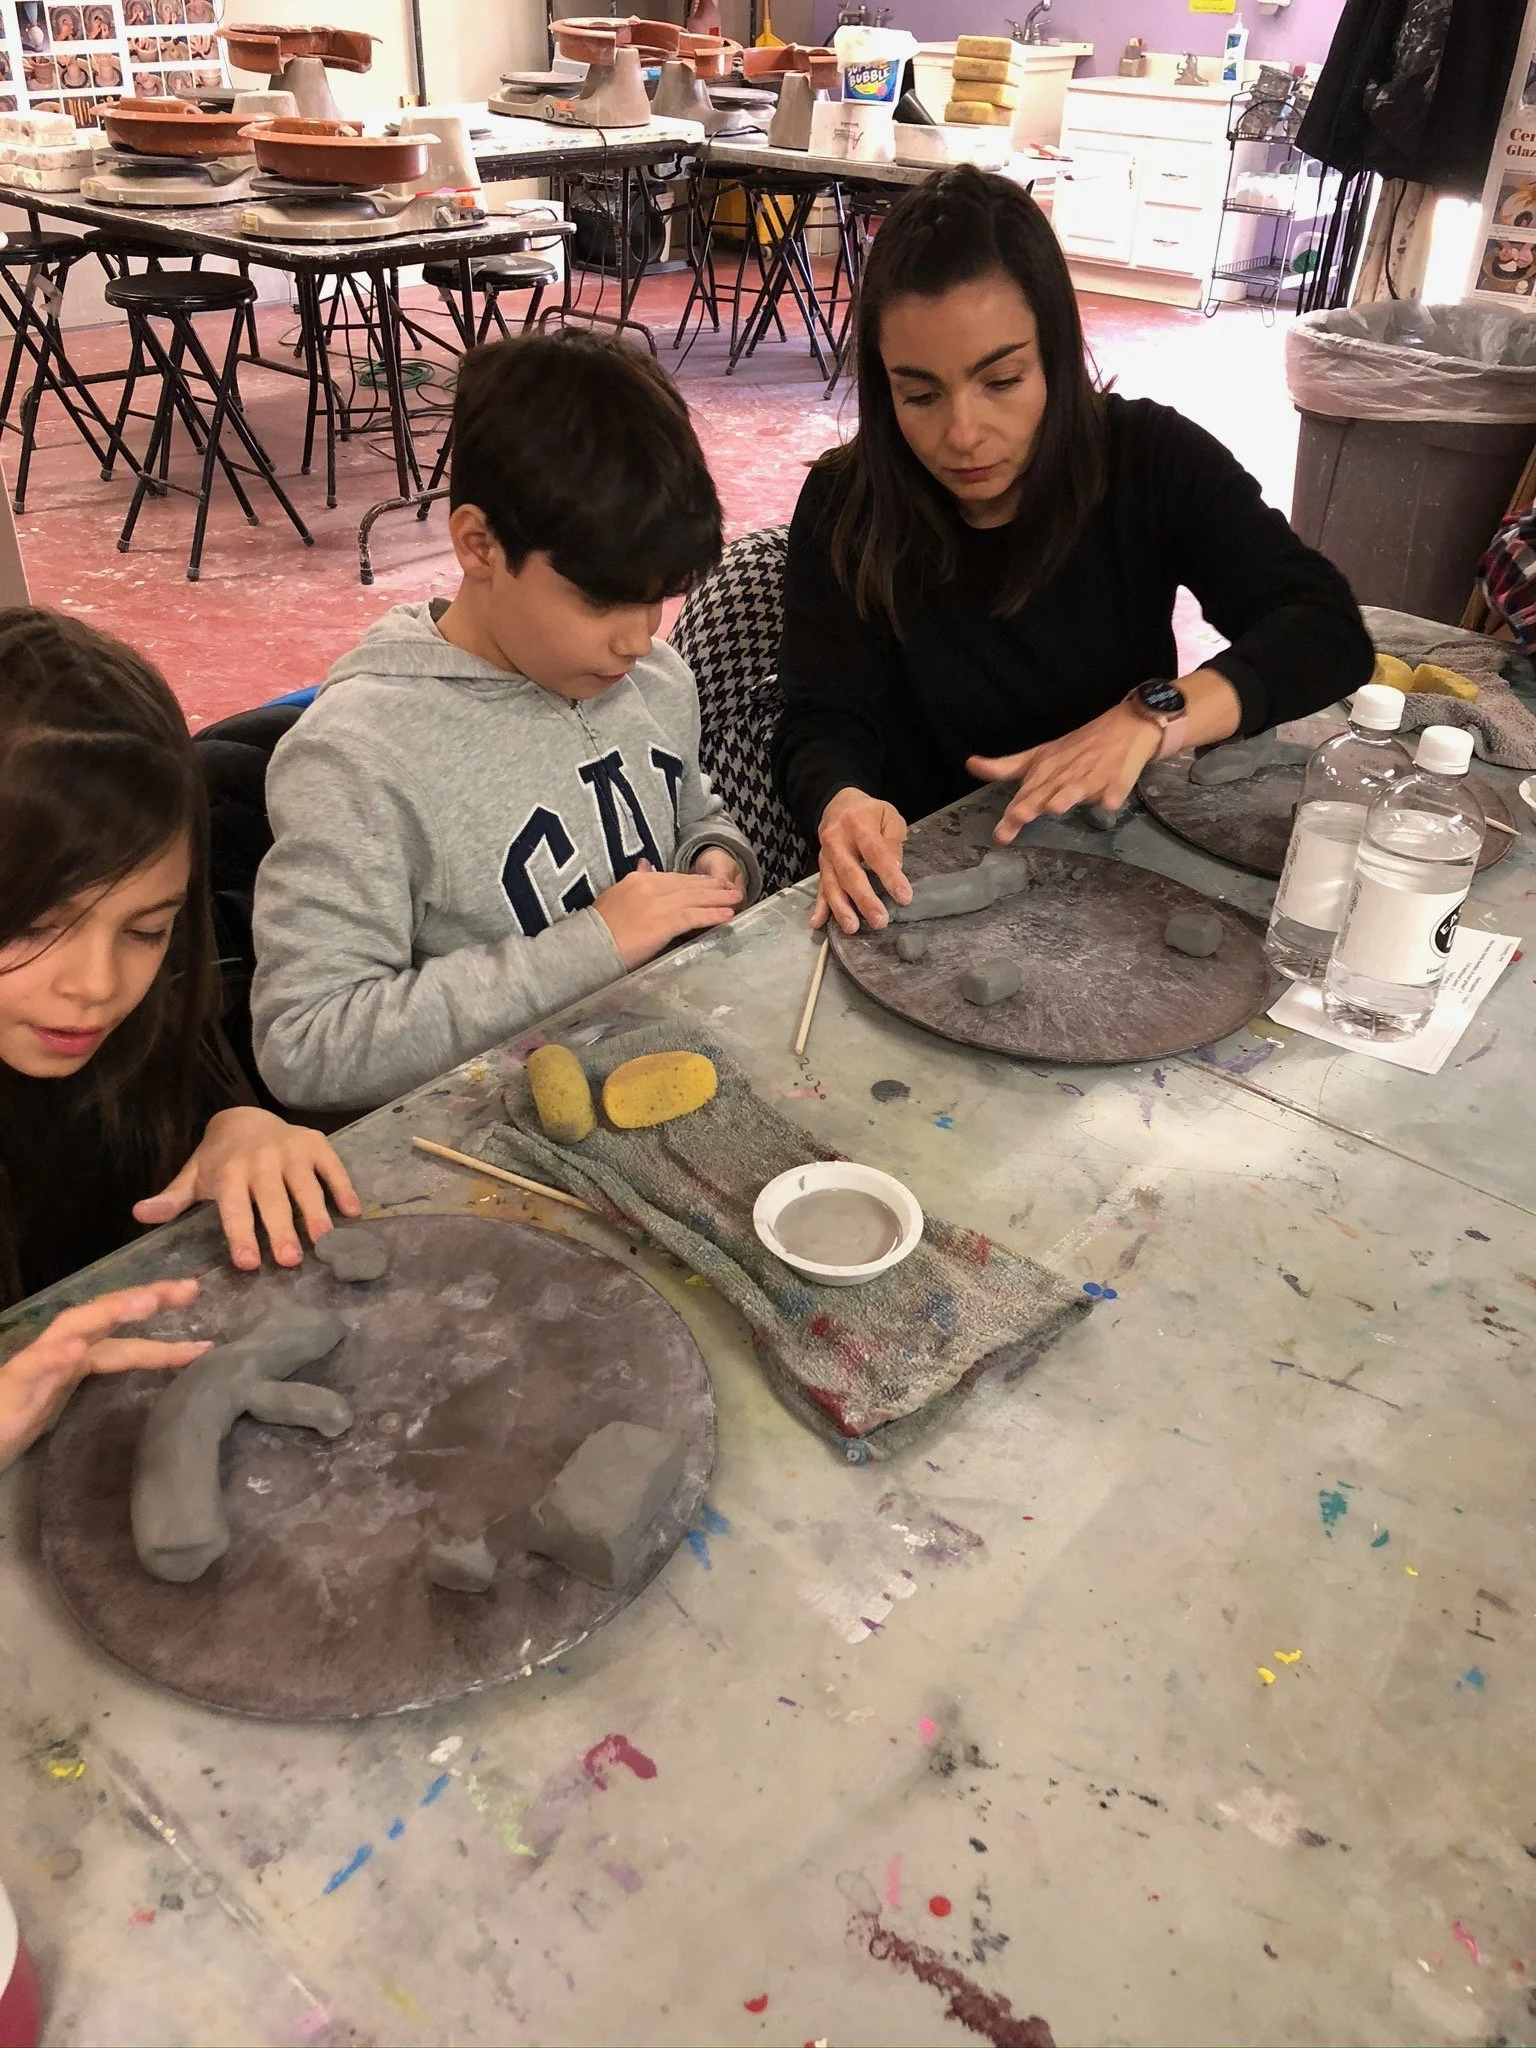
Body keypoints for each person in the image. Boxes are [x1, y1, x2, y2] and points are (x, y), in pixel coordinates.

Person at [772, 166, 1376, 936]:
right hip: (925, 883)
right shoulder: (848, 502)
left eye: (1002, 380)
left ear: (1056, 354)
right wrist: (843, 802)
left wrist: (1155, 716)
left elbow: (1325, 628)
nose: (962, 434)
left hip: (1115, 860)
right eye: (919, 395)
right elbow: (821, 716)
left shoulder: (1148, 460)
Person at [251, 332, 761, 1116]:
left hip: (659, 1076)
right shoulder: (357, 758)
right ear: (479, 544)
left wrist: (713, 855)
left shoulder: (655, 681)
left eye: (658, 596)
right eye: (600, 599)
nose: (637, 637)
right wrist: (593, 946)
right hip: (483, 1142)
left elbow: (690, 809)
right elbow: (309, 1044)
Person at [0, 608, 361, 1315]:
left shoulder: (147, 1032)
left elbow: (211, 1128)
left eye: (145, 931)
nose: (98, 986)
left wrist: (241, 1130)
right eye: (35, 927)